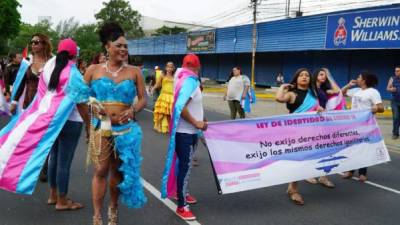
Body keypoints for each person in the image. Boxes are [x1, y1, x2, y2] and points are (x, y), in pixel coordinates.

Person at [71, 22, 147, 225]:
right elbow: (79, 97)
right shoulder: (93, 70)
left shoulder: (134, 71)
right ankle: (97, 215)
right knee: (100, 170)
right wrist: (91, 109)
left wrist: (132, 110)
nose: (123, 49)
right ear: (107, 46)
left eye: (126, 46)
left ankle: (113, 209)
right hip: (100, 126)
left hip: (125, 129)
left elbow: (143, 99)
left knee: (117, 171)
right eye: (119, 45)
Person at [0, 39, 84, 203]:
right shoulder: (73, 73)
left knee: (53, 158)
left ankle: (53, 196)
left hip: (51, 120)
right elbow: (81, 103)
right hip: (72, 121)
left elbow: (42, 96)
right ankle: (62, 200)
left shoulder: (49, 67)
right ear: (75, 54)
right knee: (64, 162)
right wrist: (89, 125)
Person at [161, 54, 207, 221]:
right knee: (185, 167)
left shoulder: (181, 77)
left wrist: (201, 121)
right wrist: (196, 122)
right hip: (186, 132)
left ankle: (182, 193)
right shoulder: (191, 81)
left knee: (184, 166)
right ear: (198, 67)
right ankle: (181, 206)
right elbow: (181, 106)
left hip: (190, 131)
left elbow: (194, 105)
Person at [275, 68, 323, 205]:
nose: (304, 77)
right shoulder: (291, 94)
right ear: (296, 79)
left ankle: (294, 186)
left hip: (311, 132)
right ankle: (293, 189)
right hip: (295, 133)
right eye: (301, 75)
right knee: (297, 160)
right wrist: (283, 87)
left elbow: (316, 111)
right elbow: (279, 98)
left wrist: (320, 110)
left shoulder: (313, 95)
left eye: (307, 75)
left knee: (306, 159)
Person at [9, 33, 52, 183]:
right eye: (32, 42)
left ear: (44, 44)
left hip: (45, 106)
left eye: (36, 42)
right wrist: (14, 101)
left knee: (44, 137)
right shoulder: (27, 62)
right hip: (29, 105)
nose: (33, 45)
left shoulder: (52, 63)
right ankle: (28, 164)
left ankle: (43, 167)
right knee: (29, 135)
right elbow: (21, 82)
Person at [341, 71, 384, 182]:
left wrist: (375, 109)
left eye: (359, 77)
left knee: (363, 148)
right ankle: (350, 171)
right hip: (353, 124)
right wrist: (348, 85)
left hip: (366, 125)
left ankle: (362, 173)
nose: (357, 78)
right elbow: (342, 93)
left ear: (364, 80)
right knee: (352, 148)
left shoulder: (373, 92)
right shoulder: (356, 90)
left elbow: (381, 108)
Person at [306, 68, 345, 188]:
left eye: (325, 75)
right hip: (312, 121)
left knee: (325, 148)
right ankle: (308, 173)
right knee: (312, 148)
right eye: (321, 74)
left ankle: (323, 176)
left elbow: (338, 91)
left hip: (323, 121)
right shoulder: (310, 89)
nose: (324, 77)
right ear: (316, 75)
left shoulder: (323, 89)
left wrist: (328, 75)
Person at [152, 62, 175, 133]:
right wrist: (152, 89)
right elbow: (158, 84)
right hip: (164, 96)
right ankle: (161, 127)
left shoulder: (175, 76)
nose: (169, 68)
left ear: (173, 68)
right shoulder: (162, 75)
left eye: (171, 67)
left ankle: (168, 127)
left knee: (170, 113)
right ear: (166, 68)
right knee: (163, 112)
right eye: (168, 67)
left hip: (172, 97)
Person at [386, 66, 400, 140]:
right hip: (395, 101)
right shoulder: (392, 79)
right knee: (396, 117)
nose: (396, 72)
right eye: (395, 71)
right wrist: (392, 89)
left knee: (398, 118)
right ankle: (395, 133)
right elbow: (387, 88)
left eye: (398, 71)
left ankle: (396, 130)